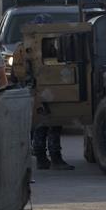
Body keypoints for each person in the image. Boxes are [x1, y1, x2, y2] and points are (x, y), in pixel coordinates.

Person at [11, 14, 75, 170]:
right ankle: (55, 158)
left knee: (39, 125)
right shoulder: (46, 46)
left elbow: (14, 75)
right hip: (46, 89)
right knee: (53, 124)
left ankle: (41, 158)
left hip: (28, 91)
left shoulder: (20, 48)